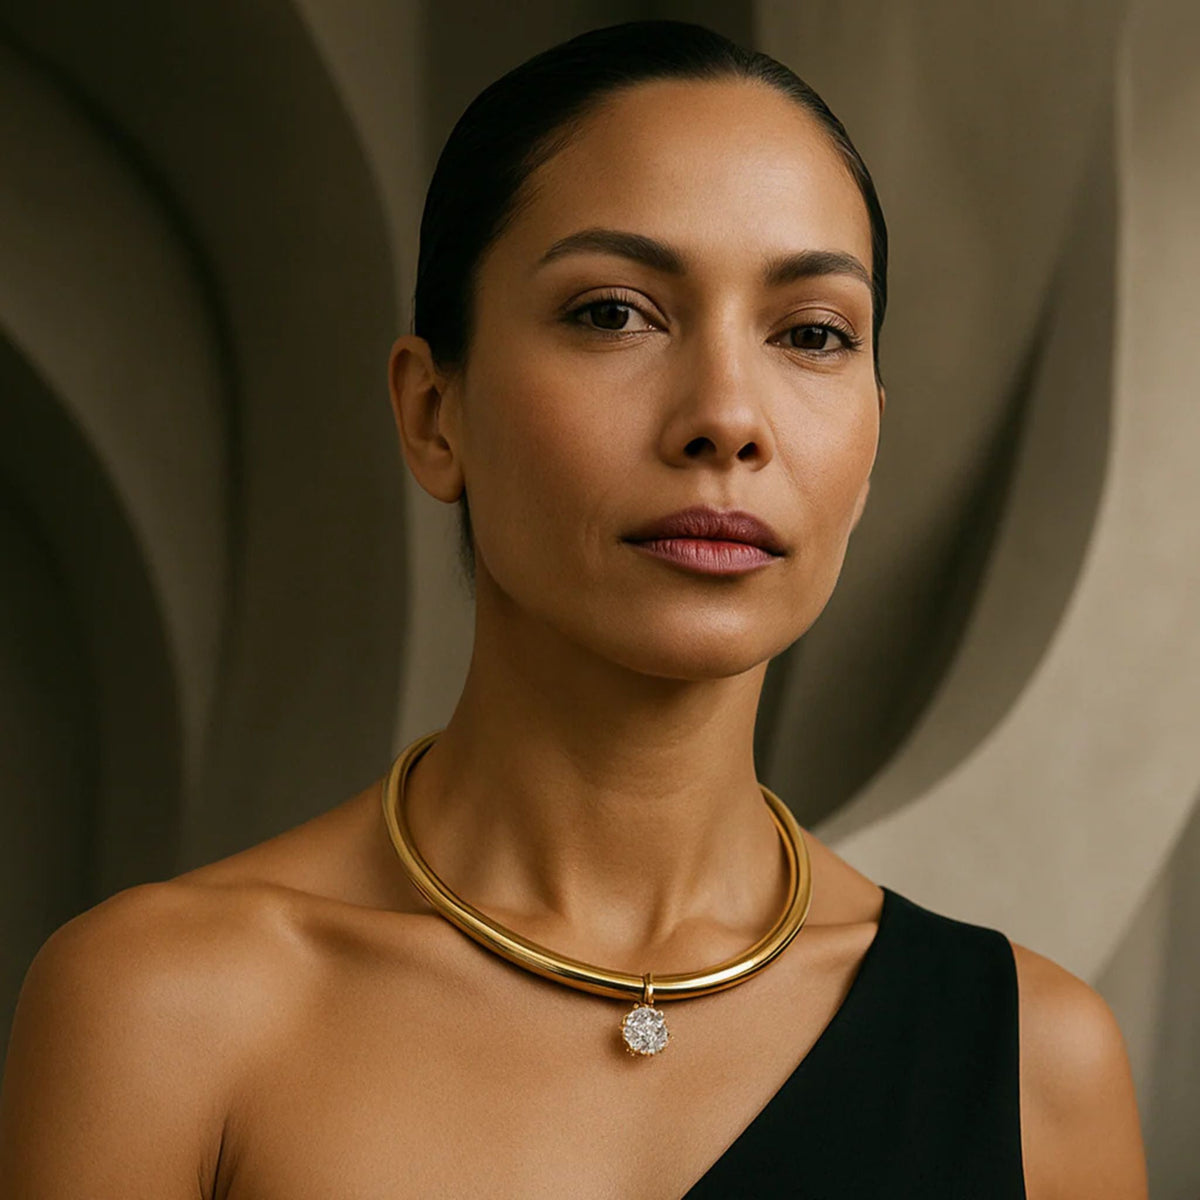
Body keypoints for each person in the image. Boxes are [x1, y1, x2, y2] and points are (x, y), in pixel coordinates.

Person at [0, 19, 1148, 1199]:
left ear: (868, 446)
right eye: (614, 313)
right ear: (433, 413)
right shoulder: (165, 1011)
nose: (727, 416)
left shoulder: (1036, 1067)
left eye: (811, 334)